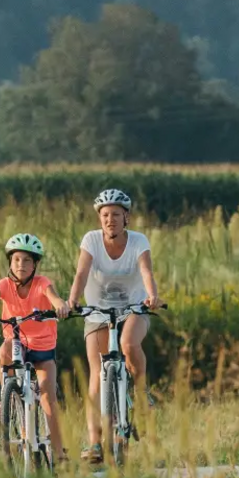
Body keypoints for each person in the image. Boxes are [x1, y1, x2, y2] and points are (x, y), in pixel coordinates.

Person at [65, 188, 162, 464]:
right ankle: (95, 443)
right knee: (97, 375)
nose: (110, 220)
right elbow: (82, 272)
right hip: (97, 312)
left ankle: (141, 393)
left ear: (126, 218)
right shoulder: (91, 240)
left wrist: (152, 295)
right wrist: (72, 300)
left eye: (116, 215)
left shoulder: (138, 241)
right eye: (105, 215)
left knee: (128, 344)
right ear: (100, 218)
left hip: (133, 308)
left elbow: (146, 271)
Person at [0, 233, 70, 462]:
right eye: (17, 259)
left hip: (43, 348)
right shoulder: (4, 285)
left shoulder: (43, 284)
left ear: (35, 264)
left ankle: (59, 453)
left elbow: (55, 298)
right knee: (4, 351)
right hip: (17, 342)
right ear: (10, 262)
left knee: (48, 398)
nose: (21, 264)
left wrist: (61, 306)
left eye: (27, 260)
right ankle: (6, 397)